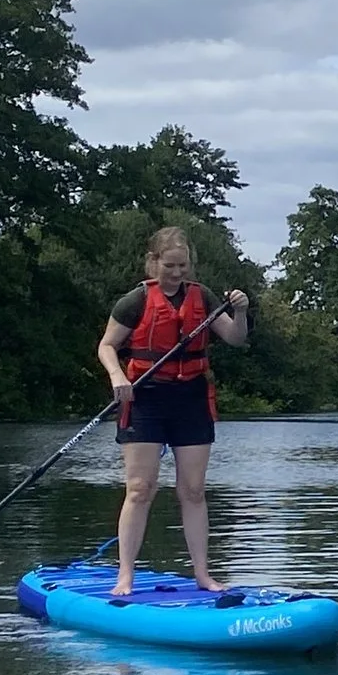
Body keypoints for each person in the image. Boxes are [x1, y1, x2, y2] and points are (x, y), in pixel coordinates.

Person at [98, 226, 249, 600]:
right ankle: (125, 576)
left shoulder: (203, 297)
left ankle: (203, 575)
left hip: (191, 398)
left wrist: (242, 313)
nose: (177, 272)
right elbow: (106, 346)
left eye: (183, 265)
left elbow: (235, 337)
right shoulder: (134, 301)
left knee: (194, 491)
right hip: (145, 396)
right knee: (139, 489)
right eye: (170, 265)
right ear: (154, 262)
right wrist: (118, 376)